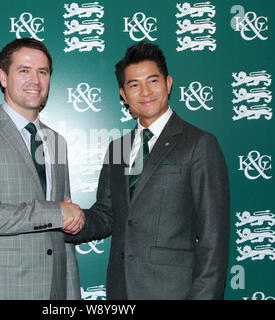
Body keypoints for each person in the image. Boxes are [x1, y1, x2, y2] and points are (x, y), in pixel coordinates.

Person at [67, 42, 230, 300]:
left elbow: (213, 239)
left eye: (152, 81)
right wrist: (70, 220)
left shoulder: (198, 143)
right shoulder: (118, 148)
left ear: (168, 83)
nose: (145, 92)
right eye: (134, 85)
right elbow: (107, 215)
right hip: (122, 291)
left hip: (175, 291)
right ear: (123, 94)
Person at [0, 38, 85, 300]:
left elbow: (61, 232)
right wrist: (57, 212)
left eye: (42, 72)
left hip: (54, 290)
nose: (35, 80)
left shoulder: (57, 141)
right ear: (3, 77)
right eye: (24, 70)